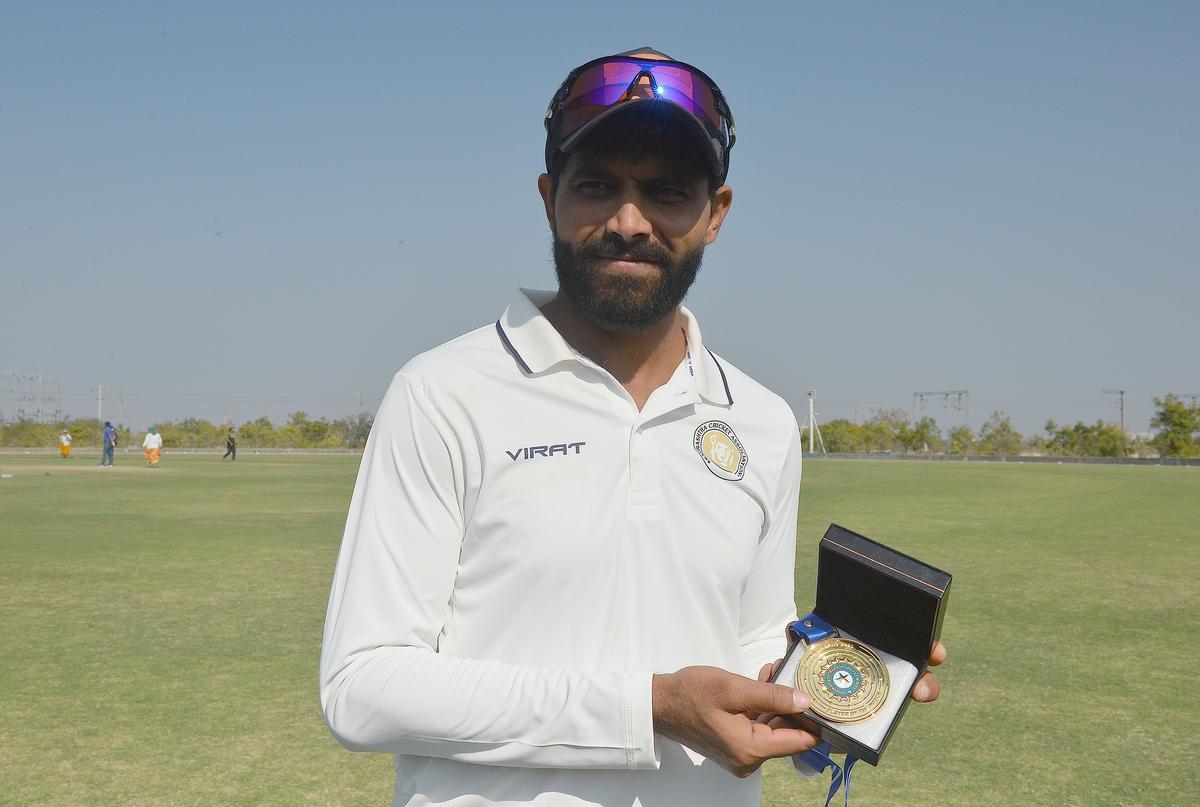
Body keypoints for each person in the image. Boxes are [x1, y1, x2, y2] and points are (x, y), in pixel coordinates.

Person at [319, 48, 944, 807]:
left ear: (716, 214)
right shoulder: (444, 392)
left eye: (667, 192)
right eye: (596, 186)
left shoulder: (763, 421)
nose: (627, 220)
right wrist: (647, 707)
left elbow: (746, 642)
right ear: (549, 197)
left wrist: (829, 690)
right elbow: (365, 684)